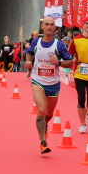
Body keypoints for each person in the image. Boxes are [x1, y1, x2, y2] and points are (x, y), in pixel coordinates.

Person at [24, 17, 74, 154]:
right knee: (41, 110)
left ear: (55, 28)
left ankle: (44, 125)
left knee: (49, 113)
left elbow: (70, 62)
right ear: (42, 27)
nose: (49, 27)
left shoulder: (59, 45)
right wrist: (28, 62)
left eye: (52, 25)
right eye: (46, 24)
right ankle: (43, 142)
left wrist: (59, 62)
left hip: (53, 83)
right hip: (37, 80)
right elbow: (29, 53)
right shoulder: (36, 42)